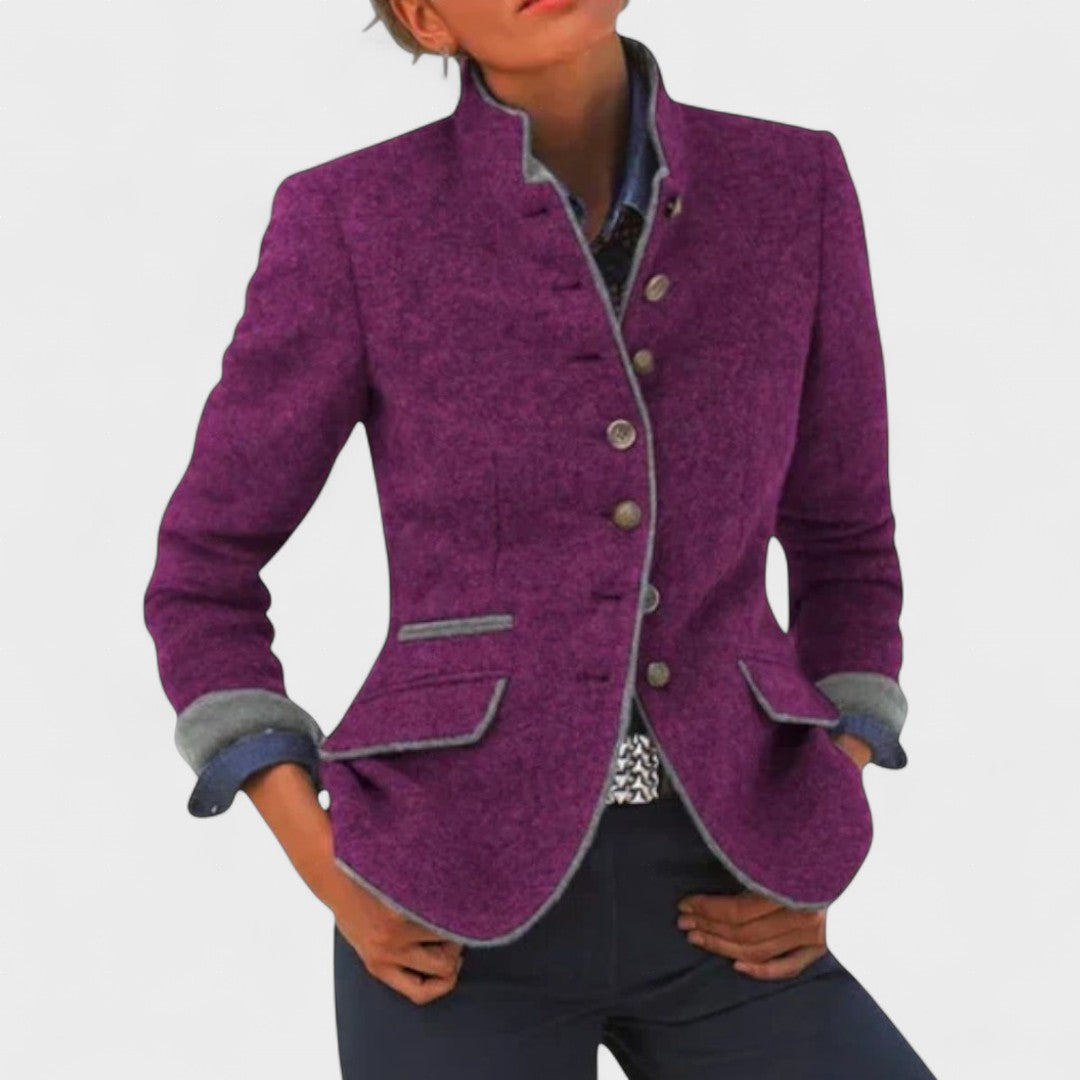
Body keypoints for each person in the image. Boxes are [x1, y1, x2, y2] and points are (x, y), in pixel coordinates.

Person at [143, 2, 937, 1076]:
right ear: (425, 18)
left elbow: (846, 541)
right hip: (441, 907)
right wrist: (326, 865)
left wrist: (826, 799)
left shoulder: (792, 186)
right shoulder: (353, 218)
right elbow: (204, 572)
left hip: (734, 881)